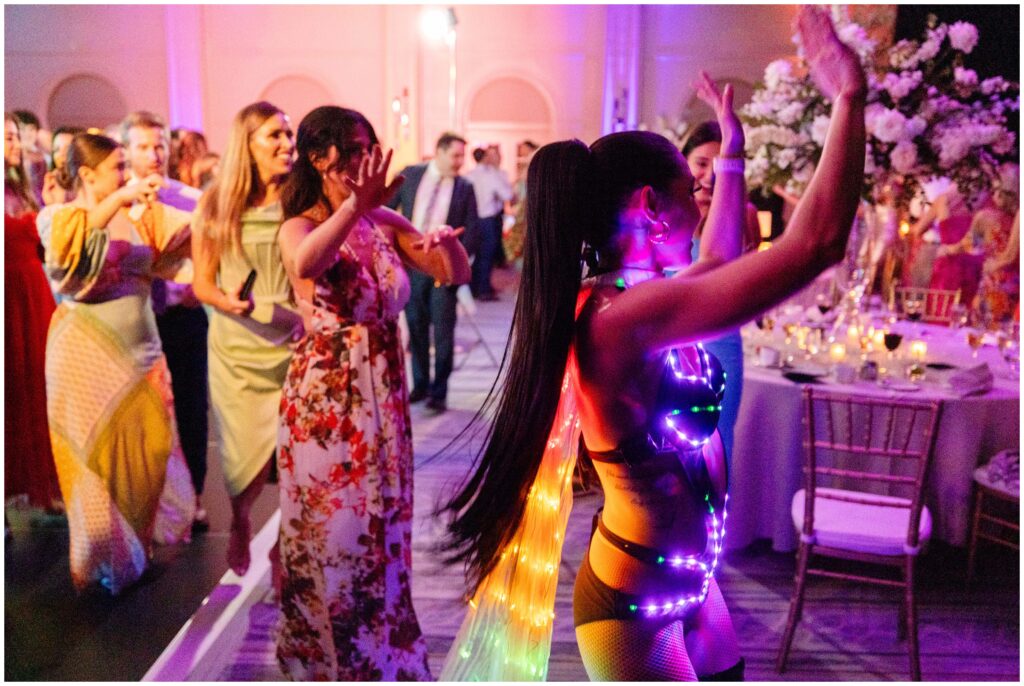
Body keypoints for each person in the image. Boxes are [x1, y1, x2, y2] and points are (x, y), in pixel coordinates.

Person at [439, 7, 866, 680]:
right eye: (687, 187)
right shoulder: (620, 318)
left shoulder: (635, 296)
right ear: (648, 204)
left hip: (691, 582)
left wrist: (731, 154)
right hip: (634, 601)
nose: (700, 199)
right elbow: (815, 244)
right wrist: (849, 97)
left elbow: (721, 256)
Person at [275, 105, 470, 681]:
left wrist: (447, 243)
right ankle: (326, 663)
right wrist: (354, 208)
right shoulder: (300, 224)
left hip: (382, 392)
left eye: (368, 147)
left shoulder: (381, 220)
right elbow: (309, 263)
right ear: (318, 158)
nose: (365, 160)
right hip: (328, 402)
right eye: (353, 150)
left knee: (381, 528)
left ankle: (378, 659)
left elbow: (450, 272)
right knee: (334, 533)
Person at [43, 132, 196, 593]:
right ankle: (104, 562)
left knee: (149, 455)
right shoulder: (57, 218)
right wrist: (122, 199)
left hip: (141, 354)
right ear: (88, 176)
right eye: (117, 167)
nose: (127, 175)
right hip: (85, 355)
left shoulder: (136, 212)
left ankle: (135, 550)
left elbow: (202, 219)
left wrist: (171, 189)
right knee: (95, 462)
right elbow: (68, 262)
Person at [191, 101, 304, 576]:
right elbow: (202, 282)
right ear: (248, 144)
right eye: (274, 135)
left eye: (289, 133)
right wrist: (226, 301)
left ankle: (284, 541)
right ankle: (240, 520)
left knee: (297, 453)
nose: (286, 143)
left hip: (293, 341)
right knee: (244, 458)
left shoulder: (302, 198)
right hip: (237, 347)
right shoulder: (216, 203)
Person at [121, 111, 210, 531]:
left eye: (159, 145)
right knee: (146, 416)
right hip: (137, 321)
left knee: (192, 409)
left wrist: (202, 282)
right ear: (126, 151)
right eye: (143, 146)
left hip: (184, 316)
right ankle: (148, 505)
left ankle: (193, 497)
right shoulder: (115, 204)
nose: (154, 154)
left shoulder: (189, 197)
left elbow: (213, 253)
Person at [680, 111, 761, 474]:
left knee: (717, 450)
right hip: (669, 340)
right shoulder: (670, 213)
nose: (709, 175)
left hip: (722, 344)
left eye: (719, 164)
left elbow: (748, 281)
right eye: (701, 162)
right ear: (683, 161)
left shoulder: (743, 215)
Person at [387, 132, 479, 415]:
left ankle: (439, 393)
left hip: (443, 270)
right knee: (415, 327)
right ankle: (421, 385)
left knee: (443, 332)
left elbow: (472, 229)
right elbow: (387, 210)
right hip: (412, 265)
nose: (460, 161)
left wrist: (456, 266)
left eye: (462, 156)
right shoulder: (411, 175)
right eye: (455, 155)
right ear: (438, 152)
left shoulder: (464, 187)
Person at [5, 113, 61, 515]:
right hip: (7, 296)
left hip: (33, 290)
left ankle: (41, 486)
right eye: (6, 137)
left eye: (14, 137)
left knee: (37, 389)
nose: (14, 144)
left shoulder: (23, 190)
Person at [464, 143, 515, 300]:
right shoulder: (491, 175)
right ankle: (484, 290)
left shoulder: (468, 175)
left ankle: (472, 288)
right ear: (485, 158)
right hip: (488, 220)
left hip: (471, 220)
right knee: (487, 255)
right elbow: (507, 195)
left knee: (474, 255)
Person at [503, 139, 539, 269]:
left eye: (523, 148)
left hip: (526, 205)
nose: (521, 150)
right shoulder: (529, 160)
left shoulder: (533, 158)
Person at [13, 110, 47, 204]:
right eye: (23, 129)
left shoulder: (42, 159)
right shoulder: (9, 160)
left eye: (31, 129)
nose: (28, 134)